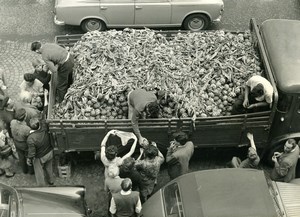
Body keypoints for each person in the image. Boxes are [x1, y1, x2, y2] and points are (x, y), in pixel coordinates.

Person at [26, 117, 54, 186]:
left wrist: (29, 159)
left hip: (40, 157)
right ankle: (51, 180)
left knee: (39, 173)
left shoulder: (31, 138)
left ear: (30, 127)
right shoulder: (44, 128)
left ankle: (41, 186)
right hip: (49, 152)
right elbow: (45, 121)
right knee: (49, 167)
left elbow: (32, 153)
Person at [10, 108, 34, 174]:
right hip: (24, 144)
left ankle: (24, 170)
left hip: (16, 143)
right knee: (28, 158)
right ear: (25, 116)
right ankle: (31, 171)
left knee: (21, 157)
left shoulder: (12, 122)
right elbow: (30, 138)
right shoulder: (26, 129)